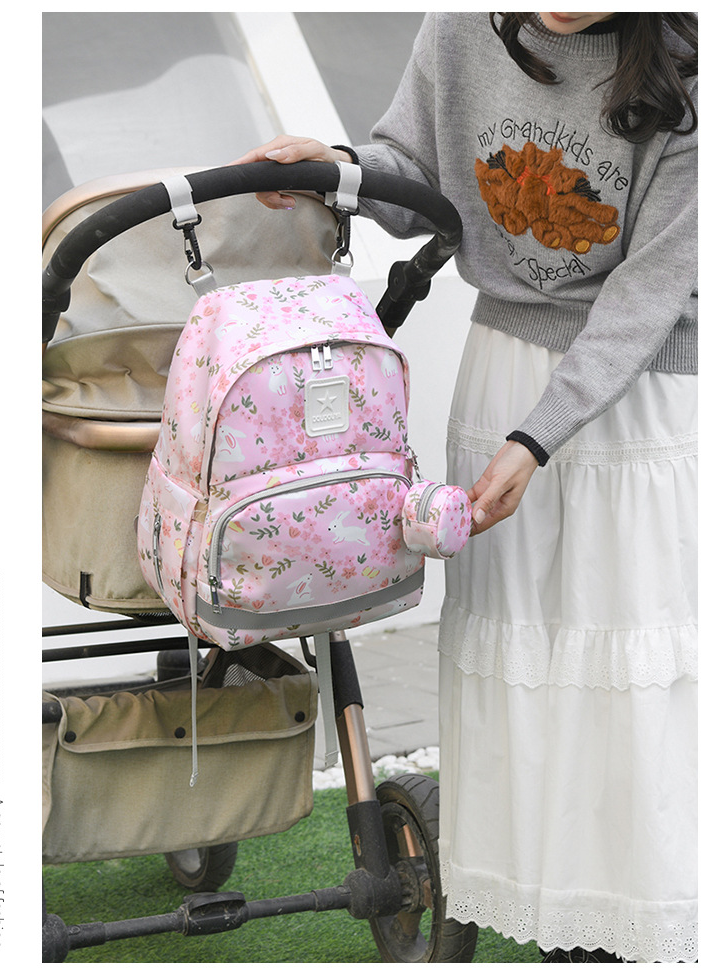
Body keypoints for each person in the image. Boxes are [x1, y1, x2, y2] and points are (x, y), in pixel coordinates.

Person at [234, 12, 697, 964]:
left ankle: (634, 924)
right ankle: (551, 913)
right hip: (501, 378)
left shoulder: (693, 67)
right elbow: (418, 175)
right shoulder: (459, 30)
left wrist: (539, 435)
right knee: (521, 668)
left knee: (627, 675)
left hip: (632, 403)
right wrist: (335, 169)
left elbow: (649, 295)